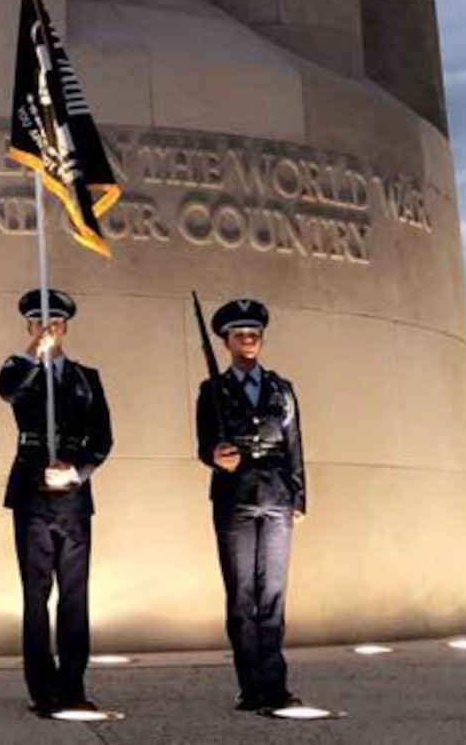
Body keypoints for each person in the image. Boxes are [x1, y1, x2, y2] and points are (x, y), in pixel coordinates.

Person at [0, 289, 113, 718]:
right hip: (31, 491)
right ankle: (42, 689)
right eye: (39, 322)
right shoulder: (19, 368)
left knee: (75, 596)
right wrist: (34, 354)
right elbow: (7, 392)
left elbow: (103, 438)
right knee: (35, 594)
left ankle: (73, 685)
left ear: (65, 326)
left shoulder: (87, 377)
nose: (48, 327)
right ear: (29, 326)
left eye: (56, 322)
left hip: (73, 497)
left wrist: (76, 472)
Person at [197, 298, 306, 714]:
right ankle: (251, 687)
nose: (248, 339)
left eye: (254, 333)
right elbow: (204, 443)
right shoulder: (213, 390)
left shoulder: (282, 389)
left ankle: (275, 685)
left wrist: (298, 494)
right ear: (226, 341)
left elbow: (294, 444)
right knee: (243, 596)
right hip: (235, 498)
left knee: (274, 595)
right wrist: (215, 455)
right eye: (240, 334)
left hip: (276, 497)